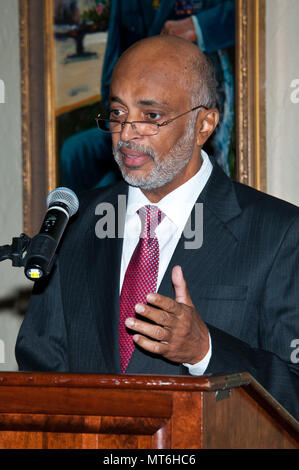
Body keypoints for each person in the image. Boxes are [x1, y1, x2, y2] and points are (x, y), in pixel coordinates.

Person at [16, 35, 299, 421]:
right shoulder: (74, 224)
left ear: (204, 124)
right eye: (117, 113)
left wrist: (206, 351)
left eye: (151, 116)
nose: (127, 134)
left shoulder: (278, 233)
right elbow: (40, 376)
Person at [61, 0, 235, 193]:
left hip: (184, 121)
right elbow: (112, 66)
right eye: (117, 111)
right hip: (132, 129)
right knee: (74, 153)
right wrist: (119, 115)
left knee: (109, 195)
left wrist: (197, 26)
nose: (126, 134)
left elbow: (244, 15)